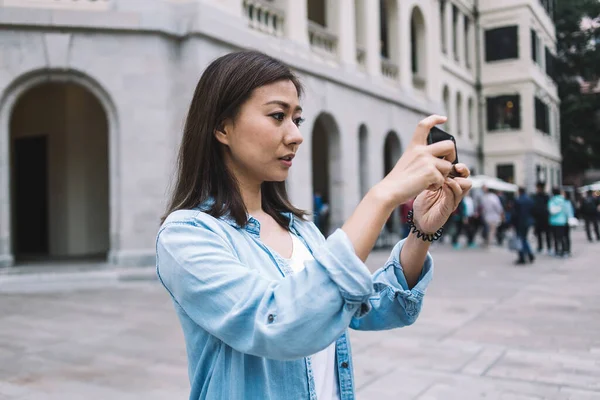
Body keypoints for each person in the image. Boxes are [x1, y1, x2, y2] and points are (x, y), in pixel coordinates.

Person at [155, 51, 472, 400]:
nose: (295, 135)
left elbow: (370, 308)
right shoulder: (186, 235)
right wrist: (382, 196)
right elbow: (278, 323)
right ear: (221, 127)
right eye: (278, 116)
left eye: (297, 119)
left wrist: (421, 232)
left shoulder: (302, 230)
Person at [512, 187, 535, 265]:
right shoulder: (530, 200)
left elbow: (515, 214)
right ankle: (529, 253)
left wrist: (512, 223)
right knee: (524, 239)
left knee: (520, 240)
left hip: (519, 223)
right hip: (527, 222)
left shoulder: (518, 201)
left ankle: (522, 256)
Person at [532, 182, 552, 254]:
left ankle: (547, 247)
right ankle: (541, 247)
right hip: (540, 218)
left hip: (543, 218)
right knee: (540, 234)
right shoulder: (543, 196)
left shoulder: (543, 196)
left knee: (546, 234)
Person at [548, 187, 569, 258]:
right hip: (563, 221)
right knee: (562, 237)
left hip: (554, 222)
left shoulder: (552, 201)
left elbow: (551, 211)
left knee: (555, 238)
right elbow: (567, 211)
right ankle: (564, 251)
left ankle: (557, 251)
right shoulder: (564, 200)